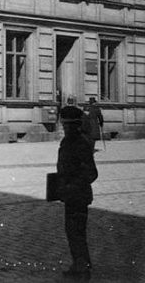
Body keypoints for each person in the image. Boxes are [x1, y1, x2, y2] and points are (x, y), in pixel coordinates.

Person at [57, 104, 98, 279]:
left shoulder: (81, 143)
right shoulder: (66, 142)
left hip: (78, 195)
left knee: (77, 231)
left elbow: (92, 173)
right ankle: (80, 263)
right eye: (64, 125)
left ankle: (82, 268)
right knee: (72, 231)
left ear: (75, 125)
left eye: (68, 125)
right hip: (70, 195)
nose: (65, 128)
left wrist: (73, 185)